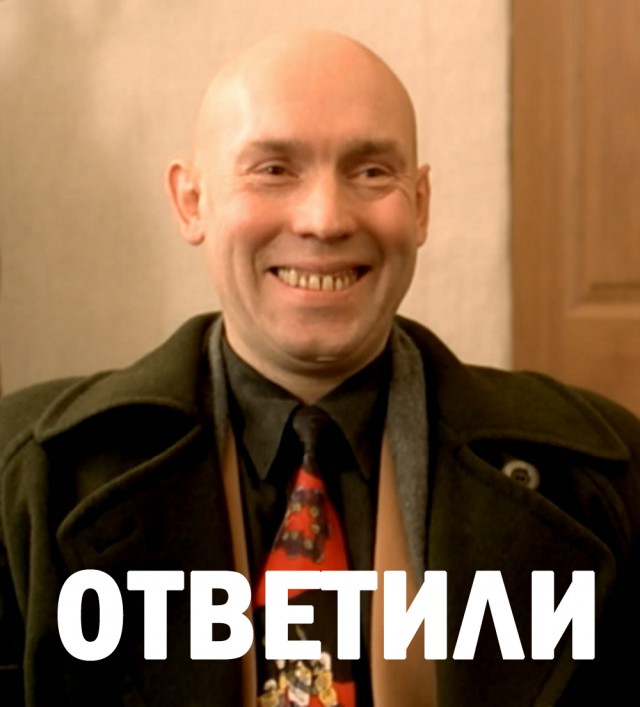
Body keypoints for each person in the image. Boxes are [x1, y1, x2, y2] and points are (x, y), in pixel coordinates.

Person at [0, 30, 638, 707]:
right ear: (192, 202)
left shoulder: (603, 476)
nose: (326, 219)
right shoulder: (30, 479)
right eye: (274, 170)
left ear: (420, 204)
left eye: (372, 172)